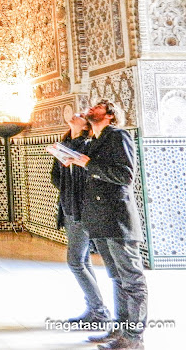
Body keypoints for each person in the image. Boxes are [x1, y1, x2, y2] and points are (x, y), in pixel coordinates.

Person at [71, 99, 148, 350]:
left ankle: (134, 338)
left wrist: (88, 164)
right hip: (101, 220)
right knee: (117, 277)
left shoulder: (118, 135)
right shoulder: (94, 140)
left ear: (110, 116)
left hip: (118, 219)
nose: (92, 108)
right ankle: (120, 330)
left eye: (100, 106)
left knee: (132, 280)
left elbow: (125, 175)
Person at [50, 112, 110, 326]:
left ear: (85, 125)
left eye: (81, 115)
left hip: (81, 209)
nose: (76, 114)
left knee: (75, 261)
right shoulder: (65, 143)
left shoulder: (87, 145)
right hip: (69, 206)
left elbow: (88, 175)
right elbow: (55, 176)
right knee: (82, 261)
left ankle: (99, 311)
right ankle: (95, 308)